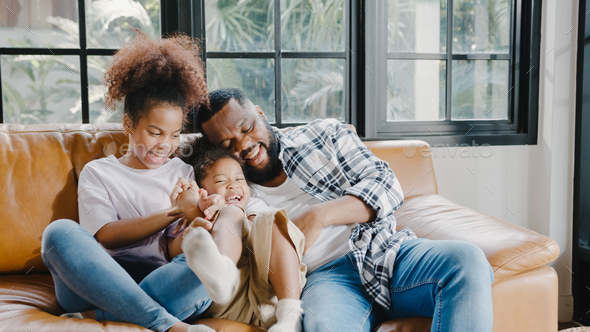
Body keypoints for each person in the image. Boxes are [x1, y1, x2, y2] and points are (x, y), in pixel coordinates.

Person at [192, 87, 496, 332]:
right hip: (325, 279)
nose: (244, 144)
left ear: (260, 113)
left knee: (467, 261)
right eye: (229, 144)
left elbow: (386, 184)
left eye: (247, 127)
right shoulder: (234, 190)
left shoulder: (324, 134)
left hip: (384, 252)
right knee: (325, 326)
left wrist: (319, 216)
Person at [40, 32, 218, 332]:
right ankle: (168, 324)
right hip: (95, 280)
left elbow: (172, 251)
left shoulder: (182, 173)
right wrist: (173, 212)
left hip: (158, 279)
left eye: (175, 135)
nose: (165, 145)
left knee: (204, 267)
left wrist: (193, 228)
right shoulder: (99, 172)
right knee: (58, 233)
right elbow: (107, 236)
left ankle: (104, 316)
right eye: (155, 132)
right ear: (128, 125)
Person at [168, 138, 306, 332]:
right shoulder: (192, 216)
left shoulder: (253, 206)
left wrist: (224, 212)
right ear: (202, 190)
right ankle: (221, 273)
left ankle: (291, 317)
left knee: (271, 218)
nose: (233, 185)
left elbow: (259, 233)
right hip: (229, 303)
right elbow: (174, 253)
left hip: (270, 294)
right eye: (221, 181)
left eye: (239, 179)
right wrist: (196, 215)